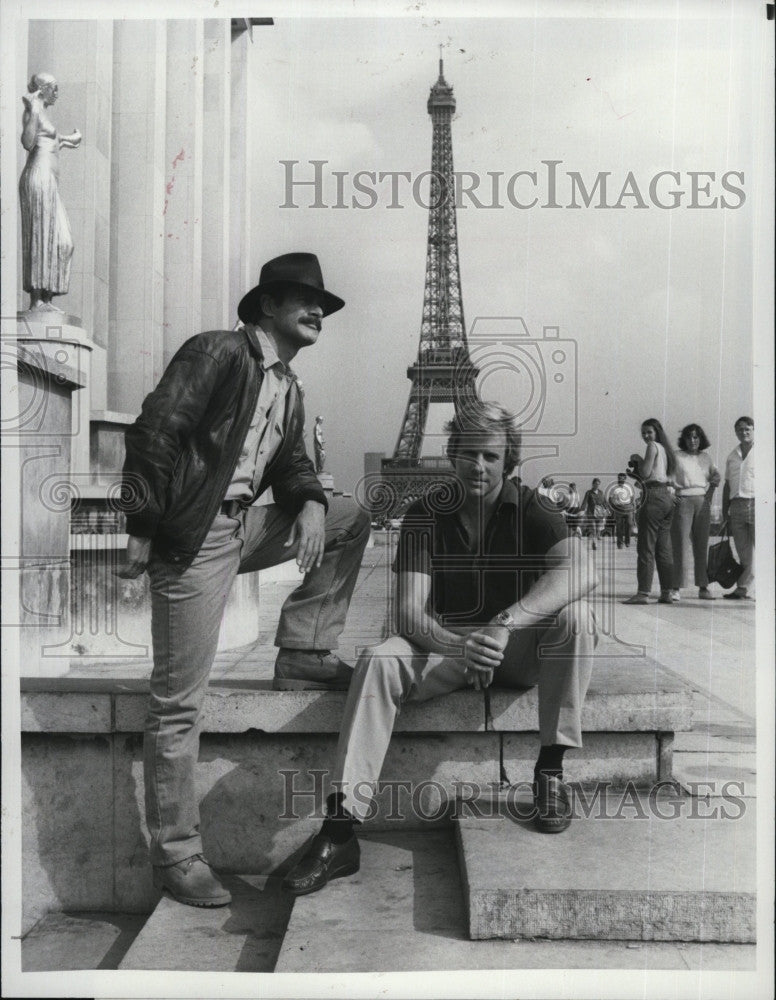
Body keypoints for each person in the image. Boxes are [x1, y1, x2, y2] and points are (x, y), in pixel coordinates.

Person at [118, 253, 371, 907]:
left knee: (349, 517)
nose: (317, 311)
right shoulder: (217, 353)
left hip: (241, 529)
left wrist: (312, 499)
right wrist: (145, 524)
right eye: (301, 300)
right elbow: (157, 430)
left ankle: (306, 652)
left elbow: (289, 464)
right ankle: (175, 855)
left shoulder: (286, 386)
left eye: (321, 304)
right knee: (178, 702)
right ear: (265, 306)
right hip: (194, 540)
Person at [282, 401, 599, 896]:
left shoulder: (536, 508)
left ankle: (550, 769)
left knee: (578, 618)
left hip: (512, 647)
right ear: (451, 454)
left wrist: (503, 625)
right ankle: (341, 829)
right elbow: (410, 613)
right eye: (468, 453)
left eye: (491, 457)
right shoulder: (425, 513)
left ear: (508, 461)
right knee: (379, 660)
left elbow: (583, 572)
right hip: (447, 647)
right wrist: (460, 646)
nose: (478, 465)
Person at [18, 72, 82, 311]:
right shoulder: (34, 111)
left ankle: (46, 297)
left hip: (50, 182)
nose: (57, 93)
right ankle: (37, 300)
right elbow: (27, 141)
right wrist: (33, 109)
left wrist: (69, 140)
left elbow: (50, 141)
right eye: (53, 88)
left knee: (63, 242)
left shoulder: (44, 115)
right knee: (41, 236)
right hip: (38, 178)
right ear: (42, 89)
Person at [624, 418, 677, 605]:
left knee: (646, 547)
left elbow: (645, 474)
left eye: (649, 432)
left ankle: (643, 593)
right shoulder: (665, 450)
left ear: (656, 432)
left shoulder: (652, 446)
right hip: (666, 498)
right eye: (644, 433)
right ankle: (666, 592)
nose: (646, 436)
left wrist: (638, 461)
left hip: (652, 496)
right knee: (664, 548)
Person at [670, 424, 721, 600]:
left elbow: (716, 477)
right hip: (682, 501)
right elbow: (667, 477)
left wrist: (710, 493)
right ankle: (676, 587)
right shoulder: (676, 456)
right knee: (681, 546)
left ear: (701, 439)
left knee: (701, 546)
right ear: (684, 439)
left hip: (702, 502)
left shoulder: (706, 457)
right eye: (690, 437)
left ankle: (703, 586)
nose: (693, 440)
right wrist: (671, 494)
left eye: (696, 437)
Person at [722, 416, 754, 600]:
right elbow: (727, 484)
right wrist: (726, 509)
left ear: (753, 429)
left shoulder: (763, 451)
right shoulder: (732, 456)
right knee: (743, 550)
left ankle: (759, 588)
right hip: (737, 505)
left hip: (758, 503)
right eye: (740, 429)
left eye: (747, 428)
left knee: (764, 548)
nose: (744, 432)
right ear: (736, 432)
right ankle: (742, 588)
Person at [609, 472, 636, 549]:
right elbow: (610, 499)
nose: (620, 480)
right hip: (618, 508)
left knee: (629, 524)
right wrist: (613, 507)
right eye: (619, 478)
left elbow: (632, 497)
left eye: (622, 478)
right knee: (619, 526)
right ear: (618, 479)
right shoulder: (614, 488)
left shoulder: (628, 487)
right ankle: (620, 543)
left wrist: (631, 506)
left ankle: (627, 542)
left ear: (625, 479)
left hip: (628, 508)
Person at [581, 478, 607, 550]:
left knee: (598, 529)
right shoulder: (588, 493)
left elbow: (604, 502)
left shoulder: (601, 492)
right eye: (596, 484)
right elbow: (585, 502)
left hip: (599, 513)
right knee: (593, 528)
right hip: (591, 513)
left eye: (598, 484)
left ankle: (595, 541)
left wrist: (606, 509)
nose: (597, 486)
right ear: (593, 484)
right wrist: (582, 510)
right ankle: (594, 542)